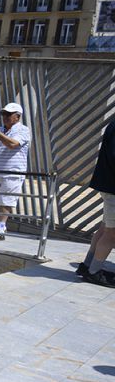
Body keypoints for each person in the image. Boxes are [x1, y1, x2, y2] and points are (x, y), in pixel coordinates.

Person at [0, 103, 32, 241]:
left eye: (9, 114)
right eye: (4, 114)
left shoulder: (23, 130)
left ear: (18, 116)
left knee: (6, 200)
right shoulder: (0, 130)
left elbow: (12, 144)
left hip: (13, 172)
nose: (5, 117)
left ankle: (0, 227)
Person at [78, 120, 115, 287]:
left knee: (103, 228)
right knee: (112, 233)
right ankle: (94, 272)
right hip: (113, 187)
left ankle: (87, 266)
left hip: (108, 184)